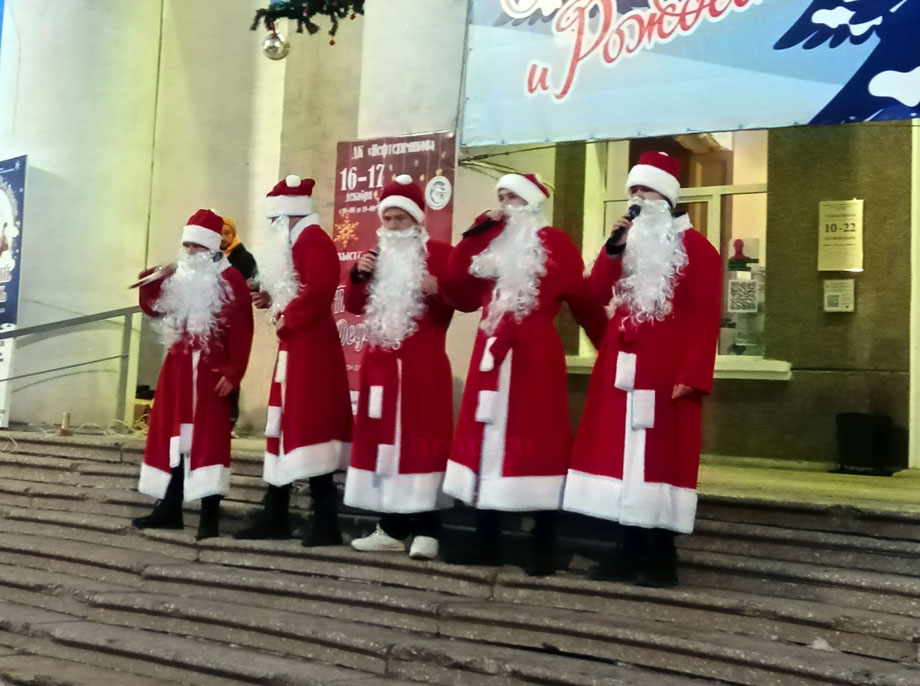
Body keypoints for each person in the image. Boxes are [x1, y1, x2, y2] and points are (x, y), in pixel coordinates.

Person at [562, 151, 722, 587]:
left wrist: (692, 374)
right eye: (632, 189)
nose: (636, 197)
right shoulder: (626, 244)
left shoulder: (699, 250)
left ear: (666, 196)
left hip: (665, 373)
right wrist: (612, 249)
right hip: (622, 371)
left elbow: (705, 317)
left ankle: (659, 556)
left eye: (645, 189)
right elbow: (595, 292)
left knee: (659, 461)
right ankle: (625, 548)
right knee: (620, 457)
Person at [440, 172, 607, 576]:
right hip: (490, 353)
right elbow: (454, 289)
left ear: (532, 202)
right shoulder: (489, 243)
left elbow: (584, 300)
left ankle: (543, 545)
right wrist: (472, 235)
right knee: (485, 440)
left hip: (534, 355)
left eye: (513, 195)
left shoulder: (555, 243)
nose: (505, 202)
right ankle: (486, 538)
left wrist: (608, 345)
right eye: (501, 195)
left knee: (538, 438)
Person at [235, 175, 352, 546]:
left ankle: (323, 520)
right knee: (287, 424)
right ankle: (279, 511)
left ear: (288, 216)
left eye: (274, 221)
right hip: (300, 343)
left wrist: (288, 318)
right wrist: (275, 300)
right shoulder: (300, 240)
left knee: (309, 424)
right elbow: (301, 287)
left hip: (311, 346)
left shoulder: (312, 239)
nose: (272, 228)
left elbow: (318, 289)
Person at [343, 175, 454, 560]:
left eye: (399, 219)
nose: (391, 226)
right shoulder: (377, 256)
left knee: (420, 446)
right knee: (384, 443)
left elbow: (460, 297)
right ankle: (390, 526)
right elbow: (356, 306)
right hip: (382, 367)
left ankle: (427, 529)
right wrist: (357, 275)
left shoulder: (439, 253)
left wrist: (439, 288)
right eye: (386, 219)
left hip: (423, 367)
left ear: (416, 221)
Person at [132, 209, 254, 540]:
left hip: (212, 372)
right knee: (172, 438)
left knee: (208, 441)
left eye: (196, 247)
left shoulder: (232, 281)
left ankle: (209, 516)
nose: (189, 252)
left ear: (212, 248)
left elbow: (242, 331)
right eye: (185, 245)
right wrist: (156, 276)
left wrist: (234, 370)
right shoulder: (180, 278)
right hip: (178, 370)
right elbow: (153, 307)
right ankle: (169, 507)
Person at [220, 216, 260, 433]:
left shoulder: (243, 257)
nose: (224, 238)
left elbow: (253, 284)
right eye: (220, 233)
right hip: (214, 323)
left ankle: (230, 419)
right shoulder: (211, 257)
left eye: (227, 233)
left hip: (234, 321)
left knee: (231, 368)